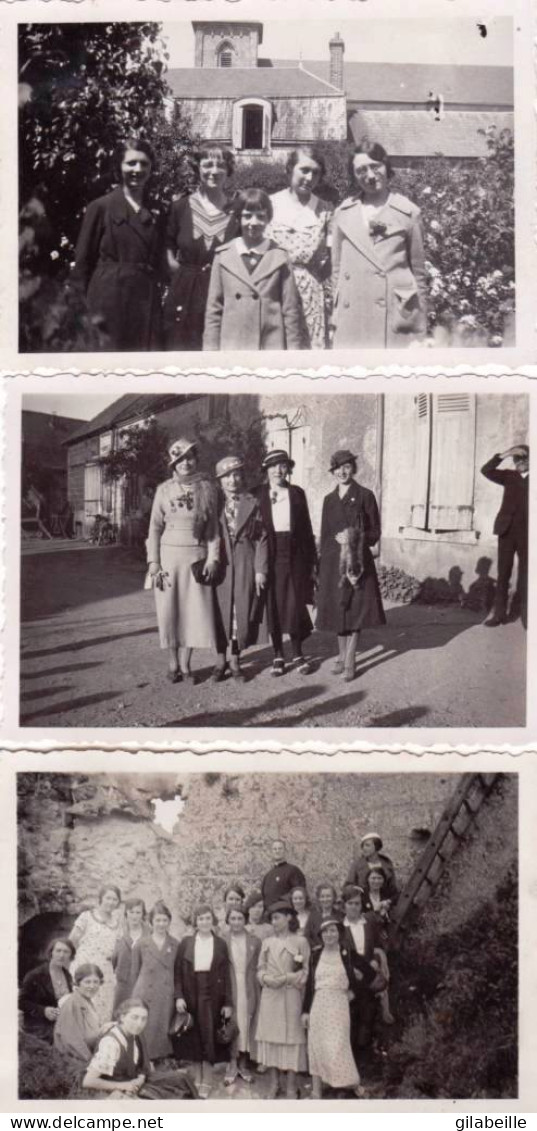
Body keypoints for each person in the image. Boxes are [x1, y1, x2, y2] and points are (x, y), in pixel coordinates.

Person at [72, 137, 165, 350]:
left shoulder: (156, 210)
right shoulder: (100, 207)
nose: (137, 169)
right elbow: (82, 265)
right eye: (131, 163)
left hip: (145, 301)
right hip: (108, 301)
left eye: (144, 163)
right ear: (118, 167)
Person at [331, 140, 427, 349]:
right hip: (352, 315)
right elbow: (337, 272)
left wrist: (421, 324)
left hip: (395, 313)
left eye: (375, 167)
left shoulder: (408, 213)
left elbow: (419, 274)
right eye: (361, 170)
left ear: (386, 166)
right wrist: (335, 317)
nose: (370, 176)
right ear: (354, 176)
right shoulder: (342, 214)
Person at [146, 438, 220, 684]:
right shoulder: (164, 490)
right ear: (173, 465)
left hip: (196, 559)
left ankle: (187, 666)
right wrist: (153, 562)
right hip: (168, 560)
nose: (185, 463)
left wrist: (212, 558)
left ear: (196, 459)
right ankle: (172, 663)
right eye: (179, 460)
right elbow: (155, 528)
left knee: (194, 612)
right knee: (170, 611)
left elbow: (213, 529)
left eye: (189, 458)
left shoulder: (207, 488)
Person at [316, 449, 386, 681]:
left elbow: (375, 533)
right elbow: (325, 536)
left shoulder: (365, 495)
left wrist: (354, 536)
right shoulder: (328, 500)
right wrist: (322, 566)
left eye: (347, 466)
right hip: (334, 564)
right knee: (339, 608)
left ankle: (350, 661)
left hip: (357, 563)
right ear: (333, 472)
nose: (342, 471)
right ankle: (341, 655)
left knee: (356, 610)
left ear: (353, 469)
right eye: (338, 468)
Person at [203, 188, 303, 350]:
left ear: (269, 219)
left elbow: (290, 310)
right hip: (232, 345)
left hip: (269, 345)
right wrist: (210, 353)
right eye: (247, 216)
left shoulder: (280, 256)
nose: (254, 222)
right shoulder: (223, 256)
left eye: (261, 216)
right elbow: (213, 310)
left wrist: (293, 354)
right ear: (238, 218)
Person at [163, 143, 239, 350]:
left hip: (223, 297)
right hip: (183, 294)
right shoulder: (180, 207)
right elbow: (166, 247)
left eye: (220, 166)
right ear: (198, 168)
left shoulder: (237, 210)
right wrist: (181, 277)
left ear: (228, 170)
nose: (214, 172)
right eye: (207, 165)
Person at [302, 917, 379, 1098]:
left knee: (338, 1046)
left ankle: (353, 1084)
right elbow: (309, 985)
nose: (329, 935)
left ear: (339, 933)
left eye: (333, 931)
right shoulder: (315, 955)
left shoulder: (348, 954)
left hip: (338, 1005)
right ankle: (316, 1091)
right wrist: (305, 1011)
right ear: (321, 935)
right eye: (326, 931)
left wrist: (354, 992)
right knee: (317, 1046)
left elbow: (370, 974)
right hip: (318, 1005)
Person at [257, 450, 317, 676]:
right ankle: (278, 655)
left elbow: (306, 528)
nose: (278, 470)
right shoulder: (258, 494)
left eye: (282, 465)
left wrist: (312, 560)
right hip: (269, 555)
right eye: (273, 466)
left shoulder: (297, 493)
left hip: (294, 556)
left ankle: (298, 653)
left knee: (294, 604)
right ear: (267, 470)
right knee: (273, 605)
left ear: (288, 469)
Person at [268, 148, 333, 348]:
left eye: (316, 172)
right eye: (304, 170)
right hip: (273, 289)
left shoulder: (326, 210)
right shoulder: (270, 204)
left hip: (310, 296)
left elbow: (332, 257)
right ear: (289, 169)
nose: (309, 177)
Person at [213, 455, 268, 683]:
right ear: (220, 481)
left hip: (245, 561)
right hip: (220, 564)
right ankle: (219, 660)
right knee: (218, 611)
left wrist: (259, 569)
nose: (232, 480)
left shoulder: (252, 502)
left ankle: (235, 659)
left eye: (236, 475)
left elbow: (262, 537)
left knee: (240, 611)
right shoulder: (213, 503)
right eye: (227, 476)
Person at [82, 997, 198, 1099]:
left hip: (137, 1080)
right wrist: (124, 1086)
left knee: (182, 1079)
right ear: (122, 1017)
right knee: (172, 1098)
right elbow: (88, 1081)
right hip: (121, 1085)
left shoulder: (135, 1033)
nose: (139, 1023)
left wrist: (141, 1078)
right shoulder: (111, 1043)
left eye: (144, 1019)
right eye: (135, 1017)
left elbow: (143, 1066)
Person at [174, 904, 233, 1099]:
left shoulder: (221, 944)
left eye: (208, 918)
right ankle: (196, 1077)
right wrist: (179, 996)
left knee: (208, 1034)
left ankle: (207, 1078)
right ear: (195, 922)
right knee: (192, 1034)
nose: (204, 922)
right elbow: (177, 973)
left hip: (212, 992)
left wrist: (227, 1003)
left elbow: (226, 976)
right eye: (200, 919)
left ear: (213, 921)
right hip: (191, 990)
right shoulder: (186, 943)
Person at [255, 900, 310, 1099]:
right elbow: (259, 969)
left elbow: (305, 972)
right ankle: (273, 1084)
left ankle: (290, 1085)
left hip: (291, 995)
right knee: (271, 1039)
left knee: (292, 1040)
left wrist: (287, 978)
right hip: (271, 996)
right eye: (272, 919)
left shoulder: (300, 942)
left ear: (289, 917)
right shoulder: (267, 943)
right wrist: (266, 979)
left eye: (277, 917)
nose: (274, 922)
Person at [481, 445, 529, 627]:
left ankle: (527, 618)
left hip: (528, 533)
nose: (519, 463)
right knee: (503, 574)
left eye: (523, 459)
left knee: (527, 575)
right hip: (506, 532)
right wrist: (505, 454)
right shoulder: (509, 476)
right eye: (516, 460)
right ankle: (498, 614)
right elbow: (486, 470)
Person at [131, 900, 180, 1063]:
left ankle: (163, 1059)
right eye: (157, 920)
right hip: (145, 992)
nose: (161, 924)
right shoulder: (141, 944)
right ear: (151, 922)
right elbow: (135, 972)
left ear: (169, 921)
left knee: (163, 1026)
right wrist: (134, 998)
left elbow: (178, 972)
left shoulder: (175, 944)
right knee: (146, 1026)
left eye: (164, 920)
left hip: (166, 992)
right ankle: (145, 1059)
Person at [68, 885, 123, 1025]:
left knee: (103, 1010)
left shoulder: (117, 923)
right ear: (101, 899)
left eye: (114, 899)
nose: (111, 902)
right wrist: (83, 957)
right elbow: (72, 940)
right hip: (85, 968)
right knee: (83, 1007)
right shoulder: (86, 916)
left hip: (105, 971)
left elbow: (118, 948)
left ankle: (99, 1043)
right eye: (108, 898)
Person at [222, 906, 262, 1085]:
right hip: (230, 985)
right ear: (228, 920)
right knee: (232, 1022)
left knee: (246, 1022)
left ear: (245, 920)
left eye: (240, 918)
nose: (236, 922)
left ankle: (244, 1062)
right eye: (233, 918)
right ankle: (232, 1062)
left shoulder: (255, 941)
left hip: (249, 986)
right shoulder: (222, 940)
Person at [341, 885, 384, 1049]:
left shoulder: (369, 923)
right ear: (344, 905)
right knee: (349, 1020)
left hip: (368, 979)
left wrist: (375, 960)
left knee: (367, 1018)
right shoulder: (339, 927)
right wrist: (351, 971)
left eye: (357, 903)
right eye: (350, 903)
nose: (354, 907)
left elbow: (379, 947)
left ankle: (364, 1062)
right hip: (348, 981)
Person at [19, 937, 75, 1041]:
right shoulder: (35, 975)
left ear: (70, 955)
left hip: (60, 1022)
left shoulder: (68, 976)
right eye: (58, 951)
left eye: (66, 952)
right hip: (38, 1025)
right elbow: (21, 1002)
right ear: (51, 953)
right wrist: (43, 1011)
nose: (61, 955)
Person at [53, 963, 104, 1064]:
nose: (92, 986)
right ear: (78, 983)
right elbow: (72, 1040)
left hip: (86, 1054)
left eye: (96, 982)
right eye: (87, 982)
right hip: (73, 1061)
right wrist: (91, 1062)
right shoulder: (72, 1004)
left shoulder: (86, 1000)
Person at [111, 898, 148, 1012]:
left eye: (138, 912)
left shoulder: (149, 932)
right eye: (131, 912)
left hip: (143, 982)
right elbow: (113, 958)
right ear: (126, 913)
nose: (134, 916)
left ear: (143, 914)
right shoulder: (118, 931)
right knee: (120, 1013)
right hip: (123, 983)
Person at [347, 833, 398, 903]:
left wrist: (388, 901)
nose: (364, 848)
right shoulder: (357, 864)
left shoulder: (386, 863)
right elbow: (349, 885)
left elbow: (393, 887)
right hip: (364, 902)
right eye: (363, 846)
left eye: (367, 845)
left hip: (384, 902)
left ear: (376, 847)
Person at [261, 839, 307, 909]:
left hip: (286, 912)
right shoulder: (267, 875)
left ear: (285, 851)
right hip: (269, 915)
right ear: (271, 852)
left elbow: (299, 892)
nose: (277, 851)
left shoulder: (293, 870)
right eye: (275, 849)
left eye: (280, 848)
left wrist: (281, 903)